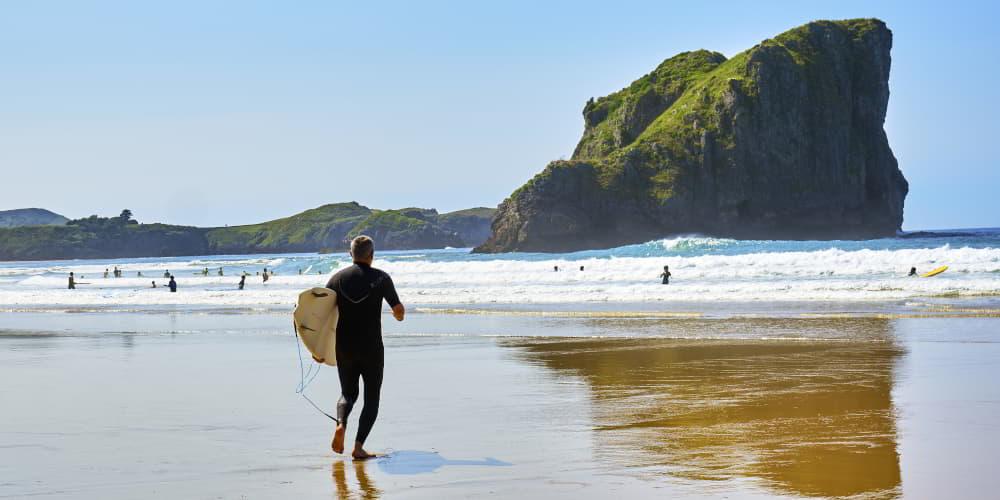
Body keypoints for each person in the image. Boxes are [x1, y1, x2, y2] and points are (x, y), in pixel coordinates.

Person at [326, 235, 404, 460]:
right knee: (371, 399)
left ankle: (341, 424)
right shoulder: (381, 278)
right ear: (372, 255)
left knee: (347, 394)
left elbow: (321, 314)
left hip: (344, 347)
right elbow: (398, 310)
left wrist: (318, 349)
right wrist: (399, 314)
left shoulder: (336, 279)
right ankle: (358, 447)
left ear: (351, 254)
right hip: (371, 348)